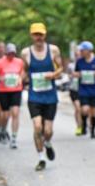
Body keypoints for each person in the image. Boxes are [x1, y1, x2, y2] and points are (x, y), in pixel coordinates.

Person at [21, 22, 64, 171]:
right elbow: (24, 71)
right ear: (31, 35)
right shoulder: (26, 53)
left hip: (50, 96)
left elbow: (61, 68)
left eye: (41, 34)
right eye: (35, 34)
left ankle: (47, 143)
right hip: (34, 96)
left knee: (48, 131)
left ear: (45, 35)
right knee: (38, 127)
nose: (38, 37)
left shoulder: (53, 50)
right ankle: (41, 158)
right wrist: (22, 78)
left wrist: (53, 74)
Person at [0, 43, 24, 149]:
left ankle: (14, 139)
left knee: (15, 113)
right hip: (4, 91)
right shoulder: (0, 63)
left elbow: (23, 73)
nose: (11, 55)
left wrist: (20, 78)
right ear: (6, 53)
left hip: (16, 90)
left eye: (13, 53)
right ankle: (3, 130)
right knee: (5, 115)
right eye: (10, 53)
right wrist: (0, 79)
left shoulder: (19, 62)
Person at [75, 41, 95, 138]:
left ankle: (93, 131)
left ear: (89, 50)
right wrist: (78, 74)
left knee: (93, 112)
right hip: (83, 89)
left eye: (82, 50)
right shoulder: (79, 61)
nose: (80, 51)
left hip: (94, 90)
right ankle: (84, 124)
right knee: (85, 109)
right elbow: (75, 73)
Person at [67, 57, 84, 135]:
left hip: (84, 89)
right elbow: (69, 75)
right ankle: (79, 126)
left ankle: (85, 124)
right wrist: (74, 75)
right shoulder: (71, 65)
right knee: (78, 108)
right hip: (73, 89)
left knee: (84, 109)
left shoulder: (85, 64)